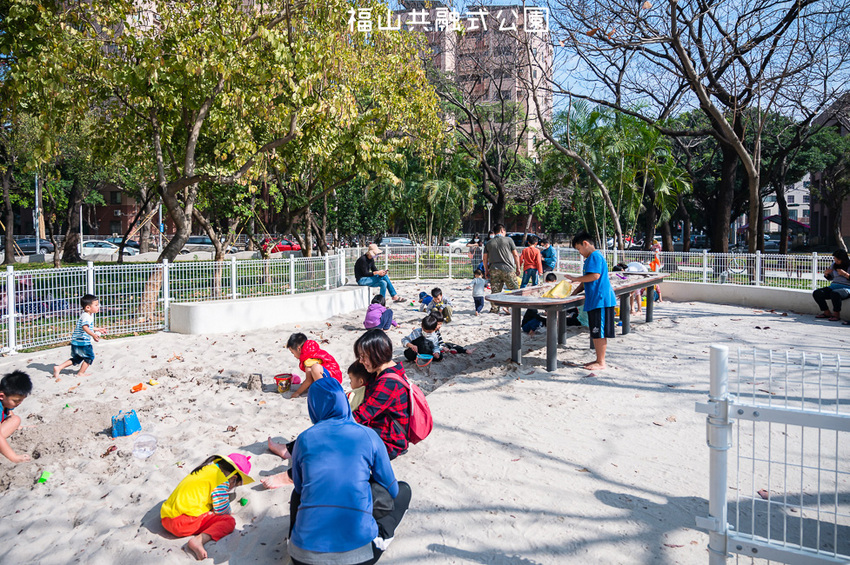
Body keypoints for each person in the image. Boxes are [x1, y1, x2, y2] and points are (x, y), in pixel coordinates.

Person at [287, 376, 412, 565]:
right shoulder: (367, 435)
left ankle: (295, 538)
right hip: (358, 557)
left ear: (313, 406)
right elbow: (393, 490)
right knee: (404, 490)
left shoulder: (304, 439)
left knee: (298, 494)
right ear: (344, 401)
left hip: (301, 558)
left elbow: (298, 485)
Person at [160, 453, 254, 560]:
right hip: (178, 523)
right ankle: (198, 540)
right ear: (233, 479)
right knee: (228, 521)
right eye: (235, 486)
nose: (230, 489)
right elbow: (222, 509)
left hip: (166, 515)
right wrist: (228, 512)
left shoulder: (206, 469)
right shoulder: (220, 480)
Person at [353, 329, 412, 459]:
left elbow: (361, 416)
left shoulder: (388, 383)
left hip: (390, 442)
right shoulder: (391, 369)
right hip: (381, 429)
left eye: (363, 357)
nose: (361, 361)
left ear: (376, 354)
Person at [565, 231, 616, 371]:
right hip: (596, 300)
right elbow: (586, 279)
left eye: (579, 249)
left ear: (585, 244)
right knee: (596, 332)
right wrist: (574, 292)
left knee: (599, 332)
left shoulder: (594, 256)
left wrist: (575, 279)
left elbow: (594, 276)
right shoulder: (591, 258)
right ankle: (598, 359)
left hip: (601, 300)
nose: (579, 252)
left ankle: (601, 362)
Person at [53, 294, 107, 378]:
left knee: (77, 358)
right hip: (83, 343)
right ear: (88, 307)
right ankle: (80, 373)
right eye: (96, 305)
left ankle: (59, 367)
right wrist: (93, 335)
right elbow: (85, 327)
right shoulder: (87, 317)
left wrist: (97, 329)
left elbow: (89, 327)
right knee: (89, 357)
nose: (98, 307)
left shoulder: (85, 315)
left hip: (76, 342)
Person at [287, 333, 343, 399]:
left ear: (299, 349)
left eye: (293, 353)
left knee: (315, 368)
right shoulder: (312, 351)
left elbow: (309, 380)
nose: (294, 355)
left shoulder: (308, 359)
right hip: (334, 377)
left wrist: (297, 392)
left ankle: (324, 392)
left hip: (332, 380)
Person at [483, 223, 521, 313]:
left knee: (495, 291)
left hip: (494, 269)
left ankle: (495, 309)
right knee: (514, 290)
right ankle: (512, 308)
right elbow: (515, 255)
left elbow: (485, 258)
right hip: (508, 269)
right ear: (502, 230)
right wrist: (518, 267)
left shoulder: (489, 243)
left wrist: (486, 270)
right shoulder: (509, 240)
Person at [0, 370, 33, 464]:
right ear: (1, 396)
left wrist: (18, 427)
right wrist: (14, 457)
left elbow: (10, 415)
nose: (19, 404)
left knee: (16, 419)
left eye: (21, 400)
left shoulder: (6, 403)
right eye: (16, 401)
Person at [813, 249, 850, 322]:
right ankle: (826, 312)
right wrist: (826, 274)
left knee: (835, 293)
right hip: (833, 286)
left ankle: (836, 314)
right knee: (817, 293)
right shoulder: (834, 265)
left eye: (838, 260)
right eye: (835, 259)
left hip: (847, 288)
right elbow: (831, 278)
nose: (836, 261)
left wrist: (845, 274)